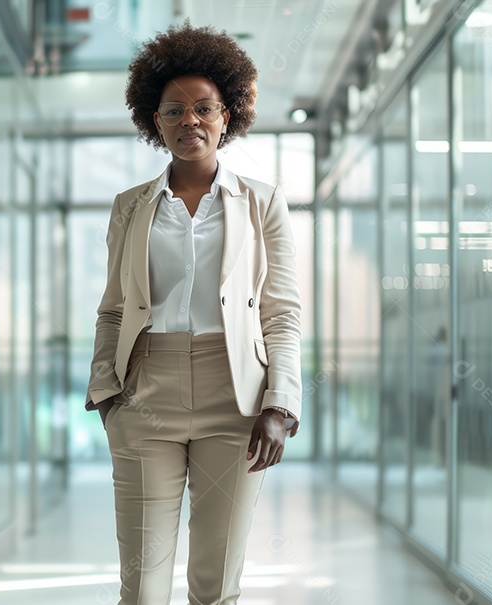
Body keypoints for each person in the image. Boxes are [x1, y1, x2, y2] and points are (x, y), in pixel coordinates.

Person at [85, 22, 303, 605]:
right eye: (174, 110)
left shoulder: (263, 203)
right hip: (143, 394)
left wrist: (281, 403)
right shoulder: (130, 208)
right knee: (142, 587)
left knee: (215, 584)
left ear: (226, 115)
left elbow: (281, 314)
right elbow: (113, 309)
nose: (190, 121)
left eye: (203, 108)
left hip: (235, 401)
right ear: (154, 122)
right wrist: (106, 391)